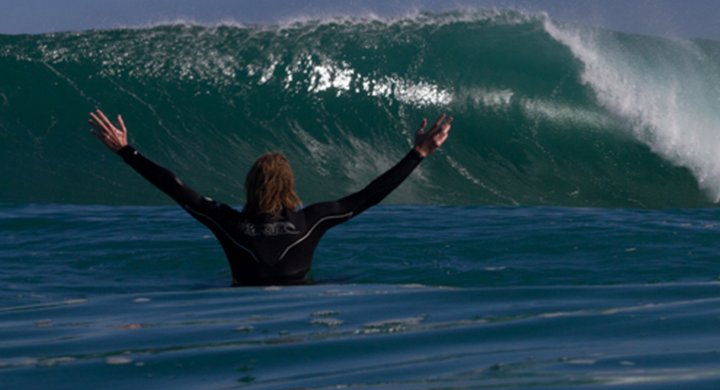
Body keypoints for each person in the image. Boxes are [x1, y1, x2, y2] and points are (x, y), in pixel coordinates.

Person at [88, 109, 452, 286]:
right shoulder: (312, 221)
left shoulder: (229, 223)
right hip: (299, 307)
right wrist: (417, 154)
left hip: (241, 311)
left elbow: (174, 186)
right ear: (290, 184)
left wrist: (126, 151)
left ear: (250, 184)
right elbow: (369, 195)